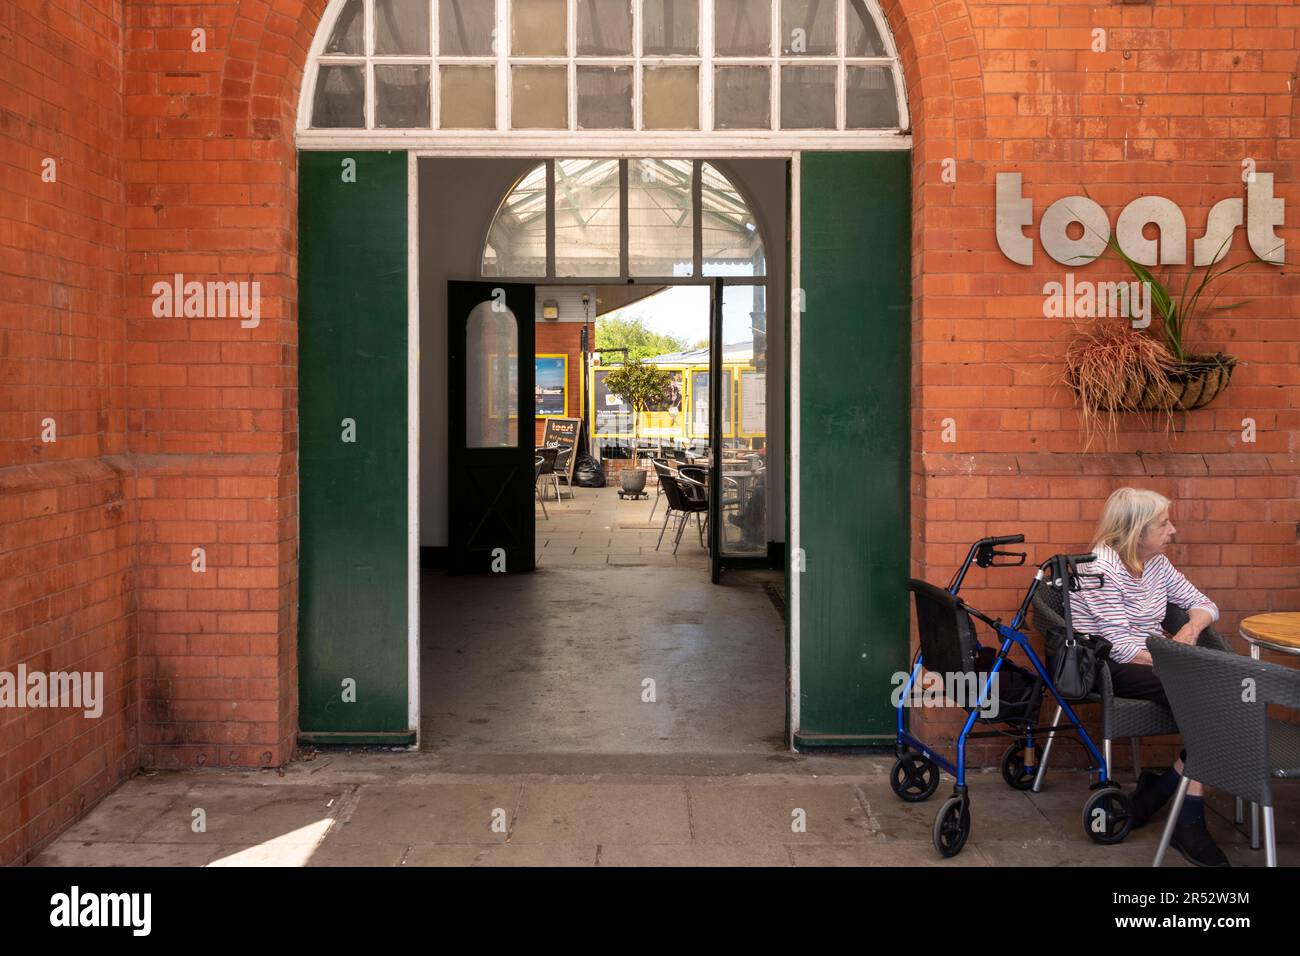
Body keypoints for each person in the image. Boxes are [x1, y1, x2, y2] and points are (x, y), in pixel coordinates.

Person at [1069, 487, 1228, 867]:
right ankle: (1185, 820)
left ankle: (1164, 789)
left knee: (1220, 694)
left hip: (1156, 655)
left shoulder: (1156, 563)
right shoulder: (1099, 569)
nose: (1172, 530)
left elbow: (1205, 604)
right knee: (1212, 695)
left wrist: (1190, 630)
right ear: (1137, 531)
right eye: (1163, 524)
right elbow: (1121, 645)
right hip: (1111, 665)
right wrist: (1178, 662)